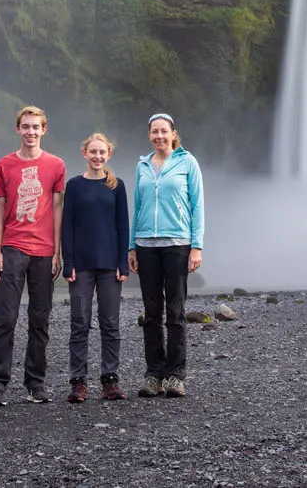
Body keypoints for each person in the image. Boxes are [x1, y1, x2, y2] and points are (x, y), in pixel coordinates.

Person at [0, 105, 66, 406]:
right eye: (26, 127)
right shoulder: (5, 165)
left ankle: (36, 383)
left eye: (36, 127)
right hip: (14, 248)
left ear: (44, 130)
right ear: (17, 129)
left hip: (45, 251)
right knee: (5, 317)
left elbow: (58, 207)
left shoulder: (56, 165)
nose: (31, 132)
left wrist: (57, 250)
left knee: (39, 319)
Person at [129, 112, 204, 399]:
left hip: (177, 244)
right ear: (149, 135)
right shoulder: (143, 165)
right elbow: (136, 207)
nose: (159, 136)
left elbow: (197, 206)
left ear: (173, 133)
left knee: (175, 311)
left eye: (164, 131)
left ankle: (176, 375)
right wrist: (131, 247)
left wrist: (196, 246)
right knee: (151, 313)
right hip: (147, 245)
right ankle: (153, 375)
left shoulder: (187, 162)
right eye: (154, 131)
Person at [61, 133, 130, 403]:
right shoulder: (75, 185)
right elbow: (67, 227)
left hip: (110, 266)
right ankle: (78, 382)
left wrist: (122, 262)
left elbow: (123, 226)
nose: (97, 156)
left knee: (110, 323)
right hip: (81, 266)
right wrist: (69, 262)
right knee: (79, 323)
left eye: (102, 152)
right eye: (93, 152)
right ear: (84, 153)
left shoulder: (116, 185)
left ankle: (110, 380)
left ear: (108, 155)